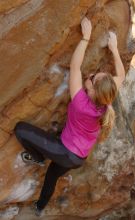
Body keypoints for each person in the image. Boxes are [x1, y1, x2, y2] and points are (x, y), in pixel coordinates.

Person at [14, 17, 125, 216]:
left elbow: (75, 67)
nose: (91, 74)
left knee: (20, 129)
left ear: (91, 91)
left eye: (92, 78)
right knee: (51, 176)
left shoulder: (81, 102)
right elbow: (122, 77)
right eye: (97, 73)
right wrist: (114, 48)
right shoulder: (105, 100)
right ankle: (39, 208)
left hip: (65, 151)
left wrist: (86, 38)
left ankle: (38, 158)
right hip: (78, 158)